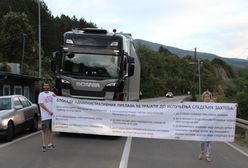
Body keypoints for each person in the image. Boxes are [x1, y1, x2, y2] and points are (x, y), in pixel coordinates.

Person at [38, 81, 56, 152]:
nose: (46, 87)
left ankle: (50, 144)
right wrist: (49, 111)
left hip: (52, 116)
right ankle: (43, 145)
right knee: (44, 131)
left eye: (47, 85)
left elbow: (57, 100)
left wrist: (57, 97)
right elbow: (41, 104)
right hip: (45, 116)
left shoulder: (52, 93)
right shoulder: (41, 94)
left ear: (49, 86)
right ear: (43, 87)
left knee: (51, 131)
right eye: (45, 85)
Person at [198, 90, 213, 161]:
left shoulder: (214, 105)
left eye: (208, 96)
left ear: (210, 97)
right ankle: (202, 152)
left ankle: (208, 155)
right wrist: (183, 104)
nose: (207, 98)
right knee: (202, 141)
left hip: (210, 126)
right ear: (203, 98)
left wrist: (234, 106)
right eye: (205, 96)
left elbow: (225, 108)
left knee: (209, 141)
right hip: (202, 126)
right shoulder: (200, 105)